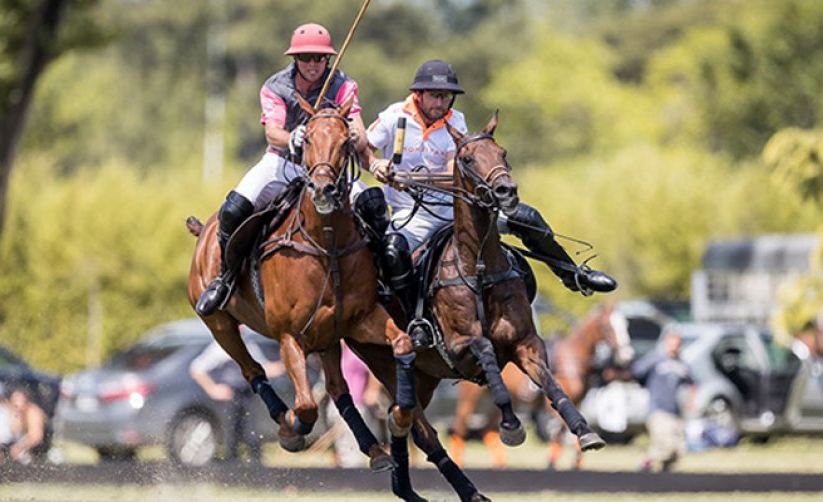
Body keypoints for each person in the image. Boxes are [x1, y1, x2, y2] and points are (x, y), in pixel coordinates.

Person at [356, 59, 617, 333]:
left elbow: (450, 172)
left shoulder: (455, 122)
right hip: (412, 215)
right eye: (435, 95)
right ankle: (413, 320)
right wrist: (374, 164)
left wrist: (412, 179)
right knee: (390, 251)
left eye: (446, 97)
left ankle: (573, 275)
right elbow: (364, 148)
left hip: (456, 208)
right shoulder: (394, 116)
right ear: (418, 95)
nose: (441, 103)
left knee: (527, 218)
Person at [197, 22, 367, 316]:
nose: (313, 64)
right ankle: (225, 278)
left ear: (327, 59)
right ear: (295, 59)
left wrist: (349, 134)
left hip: (329, 169)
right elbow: (273, 133)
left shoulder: (344, 85)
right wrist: (295, 138)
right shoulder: (275, 86)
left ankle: (383, 286)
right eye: (306, 58)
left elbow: (360, 133)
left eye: (319, 58)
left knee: (373, 208)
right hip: (283, 163)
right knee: (233, 210)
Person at [190, 334, 286, 463]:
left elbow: (263, 368)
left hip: (246, 393)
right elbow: (197, 368)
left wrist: (287, 362)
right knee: (231, 434)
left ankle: (256, 467)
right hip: (230, 395)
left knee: (250, 431)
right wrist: (213, 389)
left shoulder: (249, 345)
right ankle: (231, 464)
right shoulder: (221, 345)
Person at [632, 329, 695, 472]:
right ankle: (646, 463)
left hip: (675, 412)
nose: (675, 346)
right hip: (658, 410)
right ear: (665, 342)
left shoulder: (682, 364)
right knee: (666, 445)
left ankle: (664, 480)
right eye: (672, 342)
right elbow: (636, 372)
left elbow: (692, 384)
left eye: (677, 343)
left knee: (677, 451)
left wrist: (692, 402)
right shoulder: (655, 360)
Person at [325, 341, 385, 468]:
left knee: (353, 443)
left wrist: (373, 389)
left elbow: (375, 370)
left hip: (357, 404)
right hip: (335, 405)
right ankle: (350, 472)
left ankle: (354, 473)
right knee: (343, 444)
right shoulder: (331, 351)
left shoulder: (357, 351)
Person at [8, 386, 48, 464]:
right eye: (14, 400)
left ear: (26, 400)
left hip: (40, 448)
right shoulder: (16, 413)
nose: (15, 402)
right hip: (26, 446)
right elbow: (13, 432)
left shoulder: (33, 412)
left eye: (18, 400)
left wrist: (19, 447)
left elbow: (36, 436)